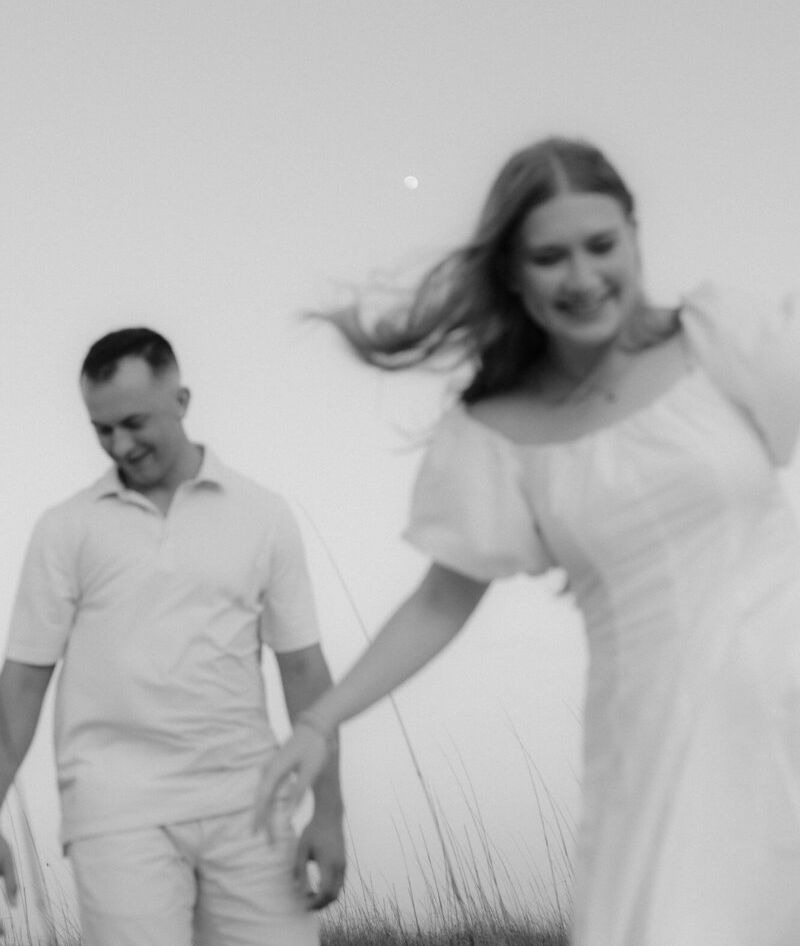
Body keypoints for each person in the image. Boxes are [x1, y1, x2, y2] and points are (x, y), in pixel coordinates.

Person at [254, 136, 800, 946]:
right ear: (513, 272)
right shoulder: (497, 434)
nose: (583, 277)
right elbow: (440, 602)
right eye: (550, 257)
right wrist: (318, 723)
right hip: (660, 750)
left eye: (601, 245)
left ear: (635, 236)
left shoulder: (722, 336)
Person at [0, 328, 345, 946]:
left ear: (181, 401)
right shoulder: (65, 529)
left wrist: (331, 811)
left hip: (250, 804)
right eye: (102, 429)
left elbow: (304, 671)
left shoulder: (262, 515)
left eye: (134, 423)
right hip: (116, 815)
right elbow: (22, 685)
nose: (120, 445)